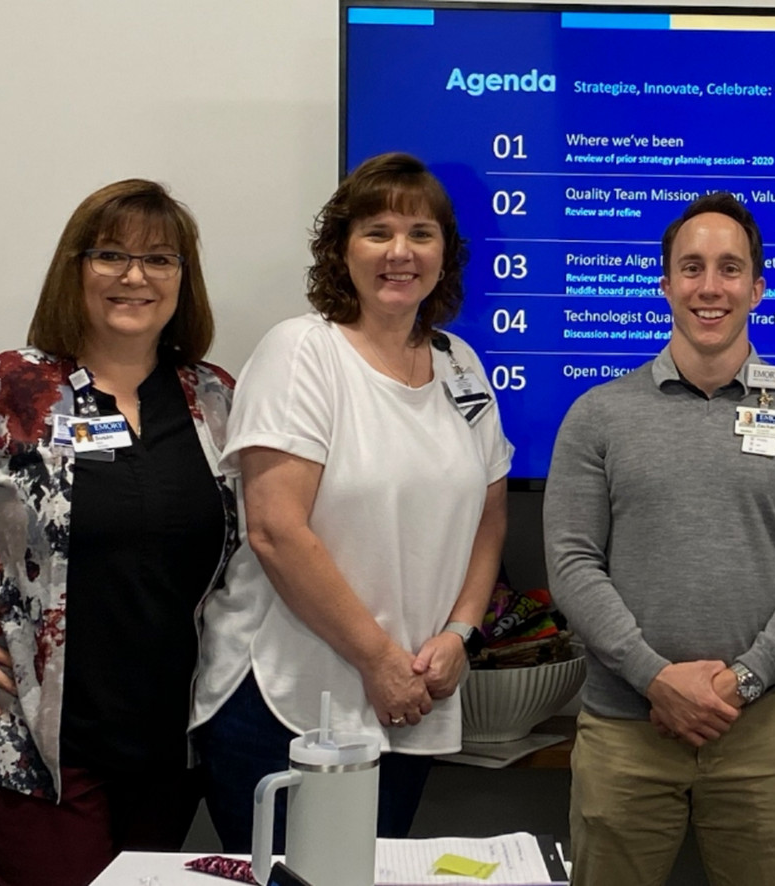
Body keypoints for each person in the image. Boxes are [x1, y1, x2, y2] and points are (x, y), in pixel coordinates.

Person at [192, 152, 511, 851]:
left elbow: (490, 515)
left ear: (444, 254)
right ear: (341, 249)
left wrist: (460, 634)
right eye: (377, 231)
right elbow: (277, 531)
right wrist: (378, 660)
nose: (401, 251)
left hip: (406, 702)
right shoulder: (303, 351)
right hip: (285, 701)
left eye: (421, 233)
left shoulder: (461, 363)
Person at [544, 192, 775, 886]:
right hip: (626, 731)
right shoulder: (596, 417)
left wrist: (742, 682)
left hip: (766, 736)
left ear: (758, 286)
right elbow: (572, 565)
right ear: (663, 285)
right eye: (691, 268)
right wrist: (654, 678)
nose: (710, 287)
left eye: (729, 268)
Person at [0, 179, 239, 886]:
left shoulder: (215, 399)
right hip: (27, 753)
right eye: (111, 255)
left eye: (160, 259)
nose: (135, 276)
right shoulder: (8, 388)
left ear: (183, 280)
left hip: (168, 754)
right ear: (75, 268)